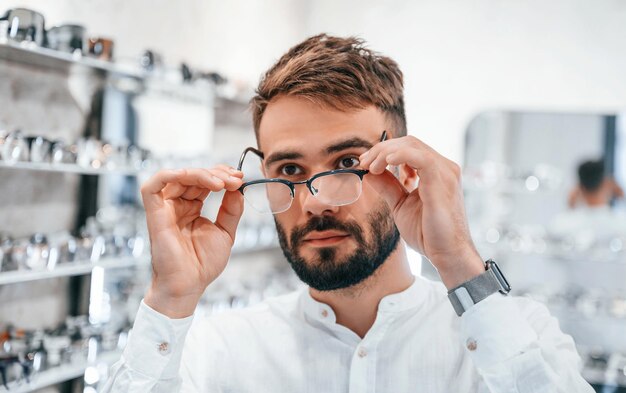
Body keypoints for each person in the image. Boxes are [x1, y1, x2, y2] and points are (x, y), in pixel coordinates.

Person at [104, 34, 593, 392]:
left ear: (404, 171)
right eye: (290, 168)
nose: (313, 200)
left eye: (346, 163)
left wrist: (461, 262)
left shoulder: (512, 336)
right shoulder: (219, 351)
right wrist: (170, 296)